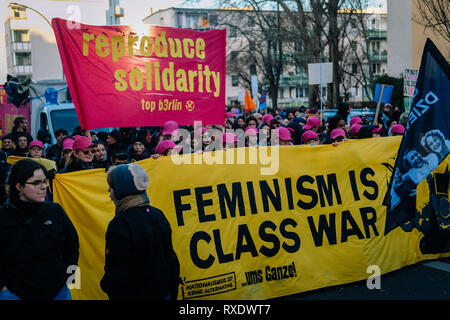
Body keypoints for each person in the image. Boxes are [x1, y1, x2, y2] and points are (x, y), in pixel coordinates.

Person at [0, 159, 79, 300]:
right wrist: (3, 289)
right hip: (16, 293)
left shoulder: (55, 211)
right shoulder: (4, 215)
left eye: (44, 181)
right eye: (36, 183)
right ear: (19, 186)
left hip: (58, 291)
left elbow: (72, 244)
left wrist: (71, 279)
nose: (43, 187)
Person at [100, 164, 180, 300]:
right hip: (164, 293)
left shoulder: (120, 224)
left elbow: (116, 273)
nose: (109, 191)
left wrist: (107, 286)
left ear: (122, 189)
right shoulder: (157, 214)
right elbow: (171, 260)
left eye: (112, 186)